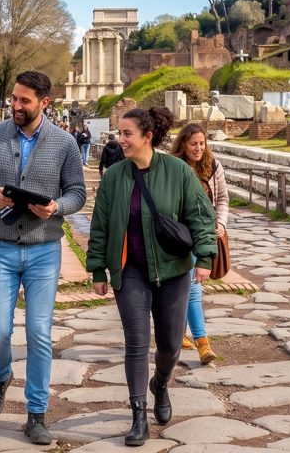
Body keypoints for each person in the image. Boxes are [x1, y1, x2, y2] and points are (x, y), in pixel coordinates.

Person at [0, 71, 87, 445]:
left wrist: (58, 207)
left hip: (44, 248)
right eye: (14, 99)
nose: (16, 105)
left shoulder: (63, 143)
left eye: (24, 100)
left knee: (39, 333)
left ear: (44, 102)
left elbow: (77, 192)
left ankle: (36, 413)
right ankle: (0, 376)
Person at [85, 107, 216, 447]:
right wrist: (98, 268)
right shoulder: (115, 176)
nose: (121, 140)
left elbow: (201, 216)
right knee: (137, 343)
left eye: (127, 134)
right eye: (120, 133)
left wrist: (204, 257)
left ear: (147, 136)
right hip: (130, 272)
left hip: (173, 271)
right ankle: (138, 415)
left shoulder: (178, 171)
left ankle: (160, 383)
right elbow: (100, 225)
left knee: (171, 345)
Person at [169, 123, 230, 366]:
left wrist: (222, 223)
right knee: (193, 289)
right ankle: (203, 343)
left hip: (205, 234)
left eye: (202, 143)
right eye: (193, 143)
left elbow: (223, 198)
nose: (198, 148)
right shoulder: (174, 168)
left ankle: (179, 332)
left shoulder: (213, 166)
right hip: (182, 235)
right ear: (183, 144)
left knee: (191, 287)